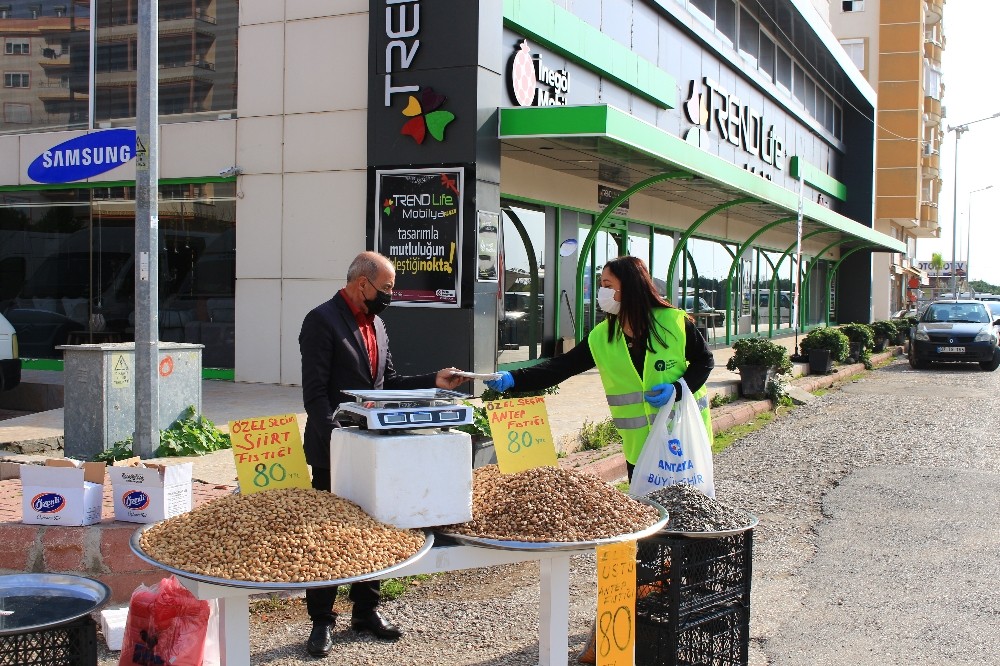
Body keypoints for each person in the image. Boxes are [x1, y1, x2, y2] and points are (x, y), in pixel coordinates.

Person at [299, 250, 466, 657]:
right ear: (362, 284)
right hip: (334, 452)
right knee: (329, 537)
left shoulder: (378, 323)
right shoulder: (321, 321)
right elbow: (315, 395)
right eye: (388, 288)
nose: (392, 295)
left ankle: (366, 612)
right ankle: (321, 622)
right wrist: (340, 439)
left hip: (376, 450)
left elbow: (387, 383)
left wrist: (433, 380)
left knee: (376, 527)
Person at [486, 255, 715, 485]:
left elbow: (704, 360)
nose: (601, 292)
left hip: (682, 438)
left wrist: (677, 389)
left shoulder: (673, 321)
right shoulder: (602, 337)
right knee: (651, 513)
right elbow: (561, 367)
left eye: (608, 285)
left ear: (631, 286)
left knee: (689, 512)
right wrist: (513, 379)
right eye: (601, 285)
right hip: (640, 448)